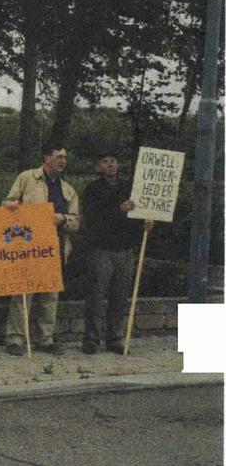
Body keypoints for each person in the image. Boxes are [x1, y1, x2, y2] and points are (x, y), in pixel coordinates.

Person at [1, 140, 79, 356]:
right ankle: (15, 339)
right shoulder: (27, 178)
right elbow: (7, 203)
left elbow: (76, 221)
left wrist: (62, 219)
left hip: (55, 246)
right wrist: (12, 207)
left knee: (50, 296)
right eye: (58, 156)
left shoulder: (68, 190)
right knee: (23, 294)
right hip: (28, 246)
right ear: (46, 158)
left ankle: (45, 338)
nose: (63, 161)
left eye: (64, 157)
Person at [80, 150, 154, 354]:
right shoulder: (93, 189)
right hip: (102, 248)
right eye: (105, 161)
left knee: (120, 296)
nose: (111, 164)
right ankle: (91, 339)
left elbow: (139, 212)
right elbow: (93, 217)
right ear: (98, 167)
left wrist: (145, 222)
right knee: (96, 295)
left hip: (124, 248)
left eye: (113, 160)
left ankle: (114, 338)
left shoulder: (129, 187)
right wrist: (118, 210)